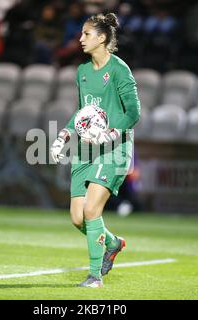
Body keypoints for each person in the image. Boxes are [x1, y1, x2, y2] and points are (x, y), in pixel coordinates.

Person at [50, 13, 141, 288]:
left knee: (92, 211)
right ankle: (112, 243)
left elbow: (134, 113)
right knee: (78, 218)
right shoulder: (81, 71)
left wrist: (111, 133)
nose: (79, 39)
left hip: (114, 150)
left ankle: (94, 277)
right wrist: (63, 135)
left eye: (85, 34)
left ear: (101, 38)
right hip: (86, 150)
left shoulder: (119, 70)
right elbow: (83, 113)